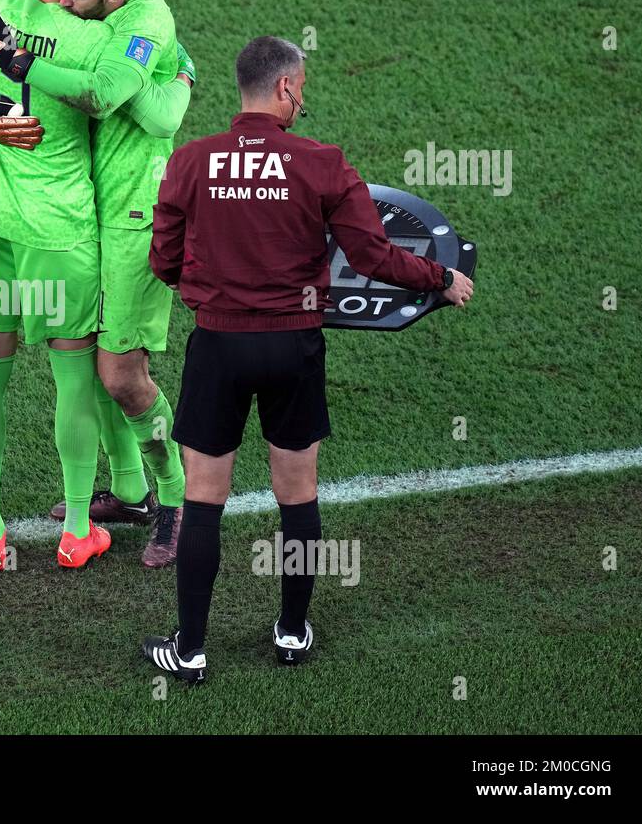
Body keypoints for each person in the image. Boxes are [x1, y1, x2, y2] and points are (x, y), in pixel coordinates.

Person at [140, 37, 473, 682]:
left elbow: (163, 261)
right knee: (297, 495)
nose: (304, 99)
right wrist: (440, 278)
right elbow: (375, 257)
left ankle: (190, 649)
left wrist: (207, 288)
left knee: (204, 500)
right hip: (294, 346)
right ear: (286, 88)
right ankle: (292, 632)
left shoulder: (189, 160)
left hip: (219, 345)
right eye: (302, 87)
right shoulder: (321, 163)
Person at [0, 0, 190, 571]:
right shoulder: (92, 38)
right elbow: (121, 96)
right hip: (63, 232)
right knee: (81, 381)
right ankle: (79, 530)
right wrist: (181, 75)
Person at [37, 0, 194, 569]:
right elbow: (158, 107)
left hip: (137, 216)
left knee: (121, 376)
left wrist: (11, 59)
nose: (66, 6)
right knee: (88, 365)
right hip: (87, 215)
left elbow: (114, 99)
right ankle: (130, 495)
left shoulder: (145, 16)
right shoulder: (107, 20)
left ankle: (177, 499)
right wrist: (174, 82)